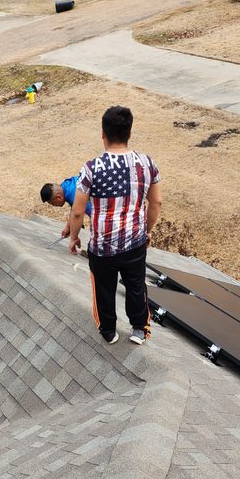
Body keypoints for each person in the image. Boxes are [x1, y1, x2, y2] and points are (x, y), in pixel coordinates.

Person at [68, 106, 162, 346]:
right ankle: (139, 328)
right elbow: (156, 202)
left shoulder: (91, 168)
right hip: (135, 242)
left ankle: (109, 331)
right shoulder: (147, 164)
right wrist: (147, 230)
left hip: (102, 248)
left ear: (103, 133)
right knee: (136, 285)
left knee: (104, 290)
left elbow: (78, 211)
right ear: (129, 133)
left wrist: (74, 237)